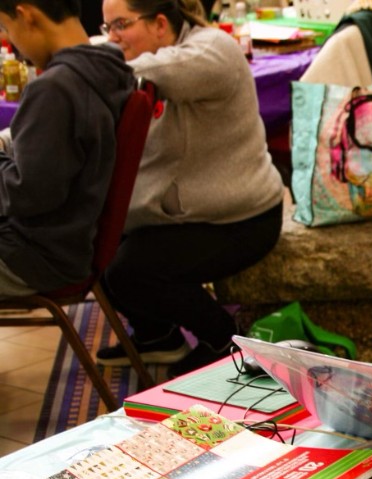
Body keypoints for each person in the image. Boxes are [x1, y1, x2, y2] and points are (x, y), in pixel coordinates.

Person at [96, 0, 284, 377]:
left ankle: (225, 342)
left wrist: (84, 62)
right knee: (93, 240)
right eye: (106, 28)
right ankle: (157, 336)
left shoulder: (211, 50)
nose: (113, 38)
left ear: (161, 23)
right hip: (195, 210)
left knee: (129, 268)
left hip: (243, 218)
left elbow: (142, 68)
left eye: (120, 25)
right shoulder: (161, 56)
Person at [0, 0, 135, 298]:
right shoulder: (109, 69)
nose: (12, 44)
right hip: (68, 245)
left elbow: (27, 194)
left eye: (8, 29)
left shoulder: (55, 88)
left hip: (31, 256)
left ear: (26, 16)